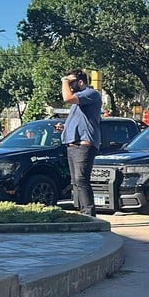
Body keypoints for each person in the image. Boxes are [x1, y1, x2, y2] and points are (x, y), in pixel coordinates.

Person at [60, 68, 102, 216]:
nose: (70, 86)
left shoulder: (91, 94)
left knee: (81, 179)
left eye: (72, 83)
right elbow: (80, 120)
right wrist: (64, 128)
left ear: (81, 82)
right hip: (72, 145)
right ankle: (82, 211)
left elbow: (67, 98)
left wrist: (64, 80)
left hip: (84, 145)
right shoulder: (78, 100)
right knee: (76, 181)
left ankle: (89, 214)